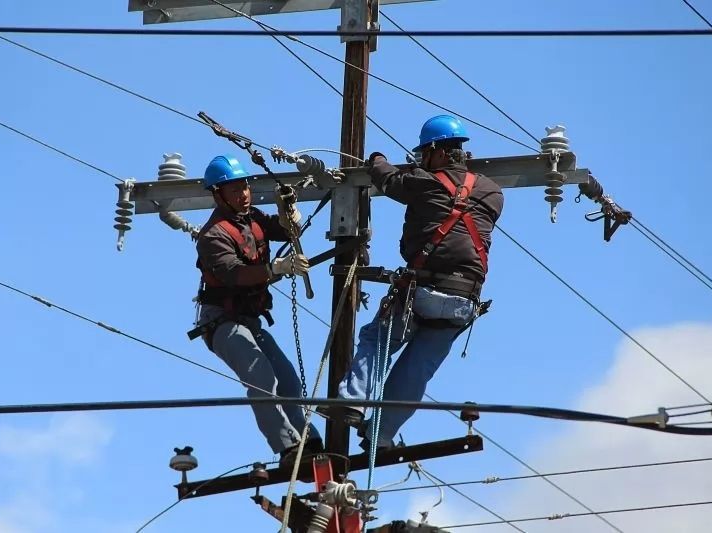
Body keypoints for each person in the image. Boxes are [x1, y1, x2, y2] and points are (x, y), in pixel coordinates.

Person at [326, 115, 504, 451]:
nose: (422, 160)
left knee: (378, 341)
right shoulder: (493, 193)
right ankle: (381, 435)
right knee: (417, 369)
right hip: (464, 300)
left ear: (436, 151)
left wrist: (376, 159)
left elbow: (388, 180)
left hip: (421, 289)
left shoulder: (424, 182)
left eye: (424, 154)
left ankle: (352, 402)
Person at [193, 154, 322, 464]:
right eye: (235, 189)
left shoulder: (252, 219)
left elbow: (287, 230)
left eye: (245, 186)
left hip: (250, 321)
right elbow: (234, 274)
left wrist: (287, 209)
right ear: (218, 194)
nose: (244, 194)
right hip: (221, 322)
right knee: (261, 376)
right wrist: (276, 268)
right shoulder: (213, 235)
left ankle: (309, 440)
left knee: (288, 380)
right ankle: (288, 447)